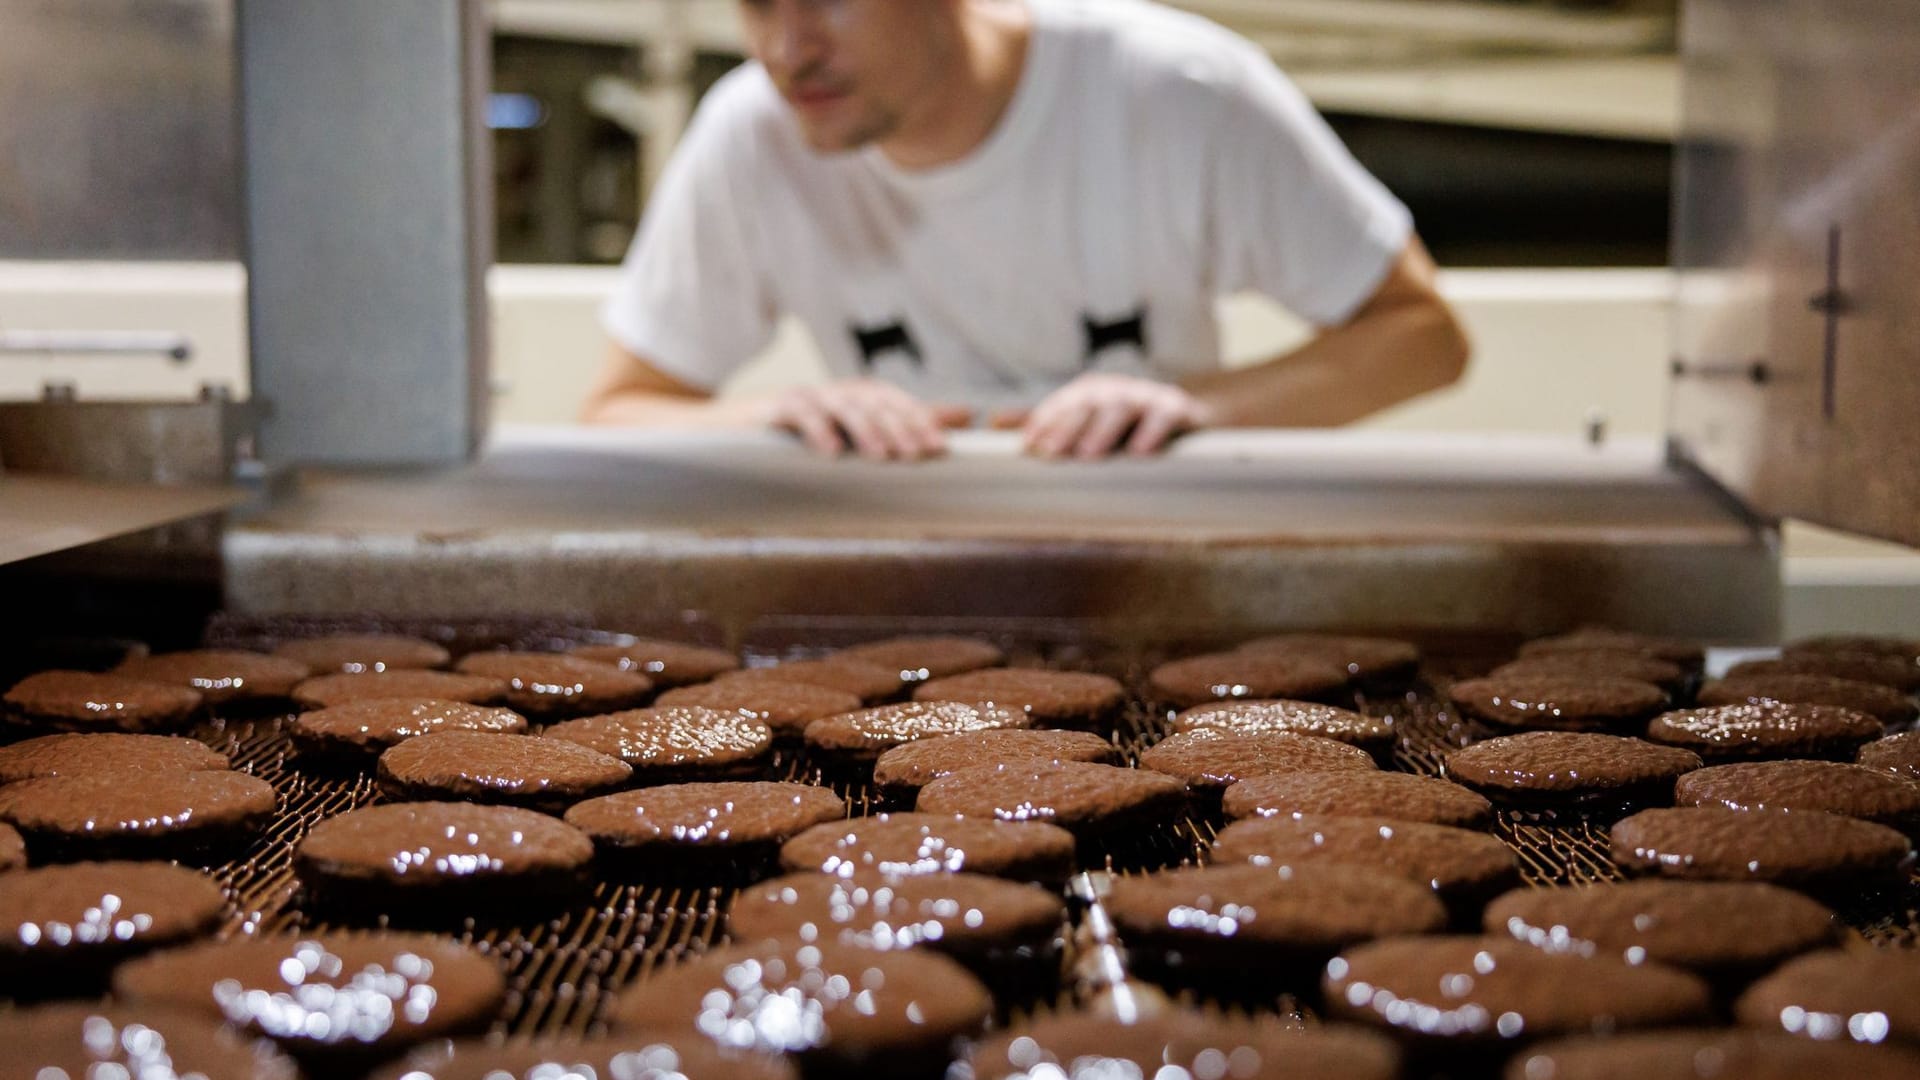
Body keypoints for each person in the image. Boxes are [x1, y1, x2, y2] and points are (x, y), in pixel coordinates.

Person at [583, 0, 1469, 461]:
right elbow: (616, 412)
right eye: (757, 6)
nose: (787, 49)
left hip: (1148, 560)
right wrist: (773, 417)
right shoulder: (753, 132)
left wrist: (1198, 407)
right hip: (908, 583)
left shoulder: (1175, 90)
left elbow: (1423, 336)